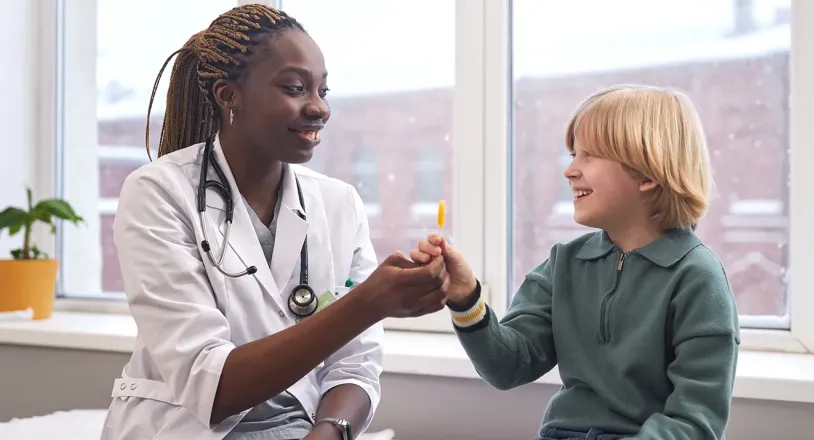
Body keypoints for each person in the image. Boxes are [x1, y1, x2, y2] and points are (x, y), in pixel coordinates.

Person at [100, 5, 449, 440]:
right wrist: (366, 304)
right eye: (296, 88)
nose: (319, 108)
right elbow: (213, 386)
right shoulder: (157, 193)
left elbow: (356, 362)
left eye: (323, 90)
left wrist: (332, 431)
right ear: (229, 96)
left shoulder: (338, 203)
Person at [410, 85, 741, 440]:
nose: (570, 171)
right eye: (573, 154)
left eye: (590, 156)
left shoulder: (698, 278)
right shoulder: (564, 263)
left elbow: (694, 424)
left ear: (647, 174)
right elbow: (507, 367)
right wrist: (465, 298)